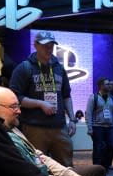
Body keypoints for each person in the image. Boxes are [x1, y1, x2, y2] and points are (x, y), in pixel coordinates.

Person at [0, 85, 106, 176]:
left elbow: (38, 155)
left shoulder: (13, 126)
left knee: (97, 171)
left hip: (46, 175)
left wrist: (69, 174)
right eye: (13, 106)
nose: (19, 110)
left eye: (18, 105)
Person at [9, 31, 77, 167]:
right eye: (45, 45)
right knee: (37, 167)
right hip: (34, 127)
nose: (49, 48)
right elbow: (15, 97)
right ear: (36, 45)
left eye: (51, 45)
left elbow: (66, 96)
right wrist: (40, 103)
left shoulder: (59, 68)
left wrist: (72, 119)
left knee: (66, 166)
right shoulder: (24, 68)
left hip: (59, 127)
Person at [86, 78, 113, 171]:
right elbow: (88, 113)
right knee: (98, 148)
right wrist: (89, 128)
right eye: (106, 84)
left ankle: (106, 166)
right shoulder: (93, 97)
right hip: (97, 127)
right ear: (100, 86)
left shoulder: (112, 98)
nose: (109, 86)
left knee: (111, 146)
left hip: (110, 127)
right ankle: (97, 168)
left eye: (109, 84)